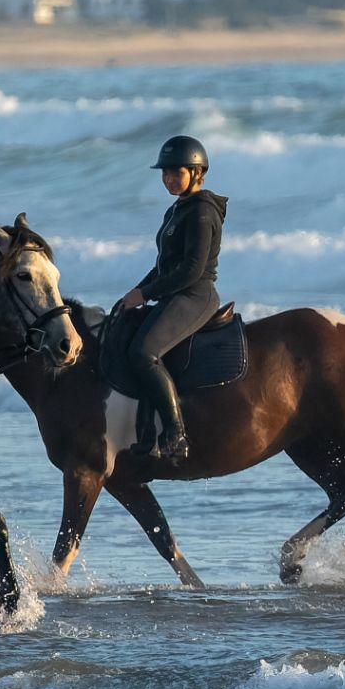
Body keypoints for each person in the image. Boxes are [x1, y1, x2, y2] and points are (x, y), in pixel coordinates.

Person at [115, 135, 228, 464]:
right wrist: (133, 294)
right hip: (176, 292)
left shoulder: (202, 211)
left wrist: (146, 294)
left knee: (144, 353)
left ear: (197, 172)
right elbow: (163, 267)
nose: (167, 179)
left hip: (196, 294)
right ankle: (144, 433)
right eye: (164, 173)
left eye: (175, 173)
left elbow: (192, 270)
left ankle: (176, 434)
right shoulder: (177, 210)